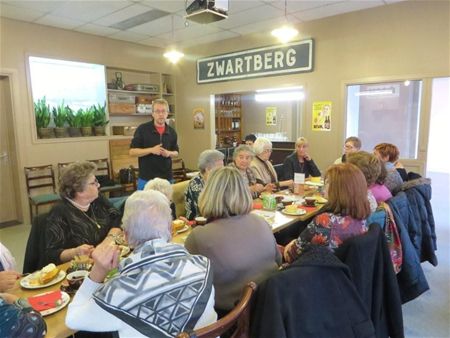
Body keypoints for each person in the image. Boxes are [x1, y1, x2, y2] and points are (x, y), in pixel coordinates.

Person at [66, 190, 217, 337]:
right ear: (171, 230)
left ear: (126, 236)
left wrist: (97, 272)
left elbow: (73, 319)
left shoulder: (119, 291)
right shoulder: (202, 265)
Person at [185, 167, 281, 311]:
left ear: (208, 194)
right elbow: (278, 261)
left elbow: (188, 286)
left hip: (229, 319)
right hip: (269, 308)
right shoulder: (261, 222)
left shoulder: (199, 237)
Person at [284, 163, 371, 264]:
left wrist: (289, 245)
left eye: (328, 182)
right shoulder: (363, 217)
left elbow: (291, 255)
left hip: (321, 274)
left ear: (339, 189)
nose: (324, 186)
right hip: (346, 272)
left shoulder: (326, 221)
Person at [45, 161, 122, 265]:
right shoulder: (59, 212)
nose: (98, 185)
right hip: (79, 268)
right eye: (93, 183)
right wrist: (75, 252)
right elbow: (51, 254)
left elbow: (117, 218)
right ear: (79, 190)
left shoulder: (97, 200)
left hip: (106, 259)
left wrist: (109, 239)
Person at [130, 99, 179, 190]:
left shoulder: (172, 132)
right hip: (146, 179)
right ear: (152, 114)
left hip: (166, 178)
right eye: (157, 111)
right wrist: (151, 150)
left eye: (163, 111)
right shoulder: (142, 129)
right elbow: (132, 152)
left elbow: (176, 152)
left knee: (167, 204)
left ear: (167, 113)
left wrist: (169, 153)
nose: (161, 114)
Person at [185, 149, 224, 220]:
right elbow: (205, 210)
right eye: (219, 169)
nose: (222, 171)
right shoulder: (196, 184)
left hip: (217, 219)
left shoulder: (217, 180)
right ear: (208, 169)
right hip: (199, 222)